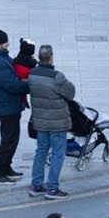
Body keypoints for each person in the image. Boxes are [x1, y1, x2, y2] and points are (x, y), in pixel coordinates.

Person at [27, 43, 75, 198]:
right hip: (58, 123)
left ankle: (36, 186)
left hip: (40, 121)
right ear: (51, 58)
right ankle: (52, 188)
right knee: (57, 154)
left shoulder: (32, 74)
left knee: (40, 151)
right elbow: (70, 93)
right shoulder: (57, 77)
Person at [0, 28, 25, 183]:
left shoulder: (2, 56)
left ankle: (6, 167)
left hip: (10, 104)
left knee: (12, 138)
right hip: (5, 106)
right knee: (9, 139)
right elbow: (11, 84)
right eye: (5, 44)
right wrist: (29, 85)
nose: (8, 46)